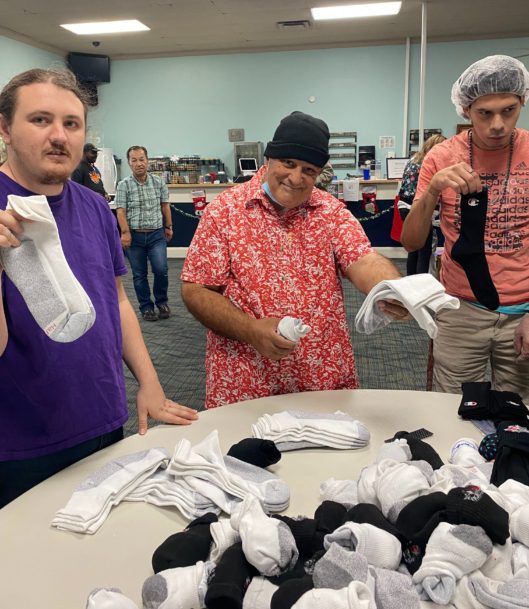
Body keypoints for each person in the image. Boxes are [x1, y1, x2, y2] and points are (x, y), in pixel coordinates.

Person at [0, 68, 197, 507]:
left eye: (71, 124)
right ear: (4, 128)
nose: (59, 136)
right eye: (40, 120)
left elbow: (118, 302)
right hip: (19, 440)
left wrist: (149, 382)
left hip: (103, 416)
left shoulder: (92, 206)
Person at [181, 110, 408, 409]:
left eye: (309, 170)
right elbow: (196, 289)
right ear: (269, 158)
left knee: (327, 455)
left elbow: (363, 259)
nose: (296, 178)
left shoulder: (330, 211)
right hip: (246, 378)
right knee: (246, 454)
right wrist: (250, 329)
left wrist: (393, 288)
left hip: (320, 378)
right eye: (288, 163)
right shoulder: (225, 211)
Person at [401, 54, 529, 398]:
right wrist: (431, 191)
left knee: (519, 416)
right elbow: (412, 243)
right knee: (453, 411)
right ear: (466, 111)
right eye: (485, 113)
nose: (498, 124)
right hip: (461, 309)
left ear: (522, 101)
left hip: (525, 310)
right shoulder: (441, 156)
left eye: (508, 110)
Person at [115, 146, 172, 322]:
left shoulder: (158, 182)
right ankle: (146, 307)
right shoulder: (124, 185)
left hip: (156, 235)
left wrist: (168, 226)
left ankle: (161, 302)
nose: (138, 163)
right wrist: (125, 233)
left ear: (147, 160)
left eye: (141, 159)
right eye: (134, 160)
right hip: (134, 237)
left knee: (161, 270)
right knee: (139, 274)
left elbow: (165, 205)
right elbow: (121, 211)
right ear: (129, 163)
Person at [398, 134, 447, 275]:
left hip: (404, 205)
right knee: (424, 249)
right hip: (419, 207)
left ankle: (411, 280)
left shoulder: (414, 158)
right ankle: (422, 285)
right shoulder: (431, 161)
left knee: (413, 248)